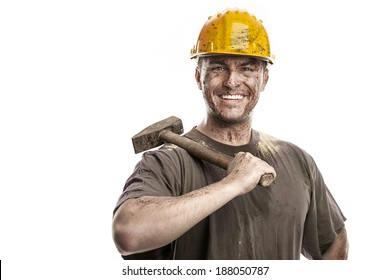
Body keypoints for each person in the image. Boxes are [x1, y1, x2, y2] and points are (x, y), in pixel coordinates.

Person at [112, 8, 348, 260]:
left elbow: (333, 241)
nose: (232, 81)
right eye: (218, 68)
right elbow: (128, 234)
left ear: (264, 79)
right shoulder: (168, 162)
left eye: (247, 69)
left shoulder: (297, 160)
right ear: (198, 76)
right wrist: (232, 183)